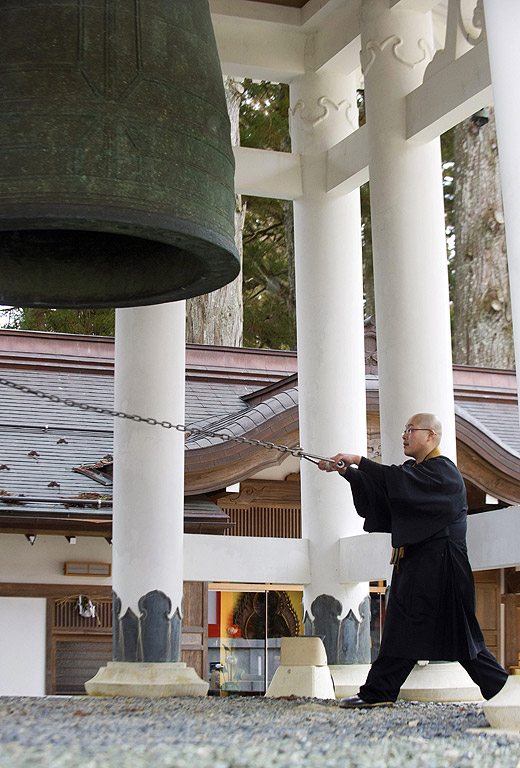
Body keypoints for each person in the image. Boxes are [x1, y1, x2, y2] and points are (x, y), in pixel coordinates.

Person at [319, 413, 508, 709]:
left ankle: (503, 691)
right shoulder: (414, 472)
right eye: (404, 429)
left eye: (410, 430)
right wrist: (351, 473)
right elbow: (388, 497)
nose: (404, 435)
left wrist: (360, 459)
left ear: (431, 436)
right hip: (416, 565)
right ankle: (379, 691)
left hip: (444, 568)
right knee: (400, 630)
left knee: (462, 637)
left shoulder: (443, 472)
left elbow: (400, 482)